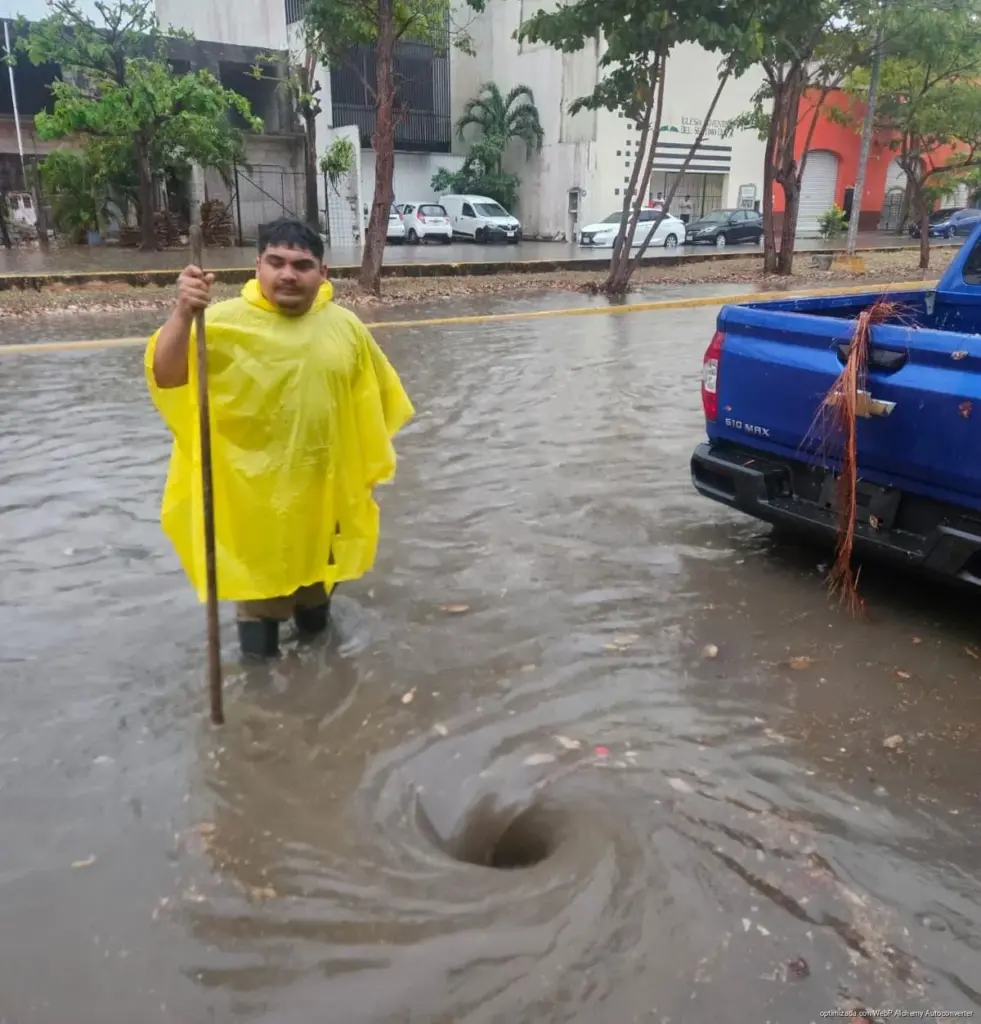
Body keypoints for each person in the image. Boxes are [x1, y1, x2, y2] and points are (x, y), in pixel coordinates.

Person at [145, 217, 415, 659]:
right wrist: (181, 313)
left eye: (302, 265)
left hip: (320, 497)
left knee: (316, 608)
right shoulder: (219, 322)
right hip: (250, 501)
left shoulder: (345, 328)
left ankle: (317, 703)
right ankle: (262, 710)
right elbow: (167, 375)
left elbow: (378, 404)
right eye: (276, 262)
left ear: (322, 274)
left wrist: (360, 477)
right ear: (257, 266)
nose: (288, 274)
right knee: (260, 621)